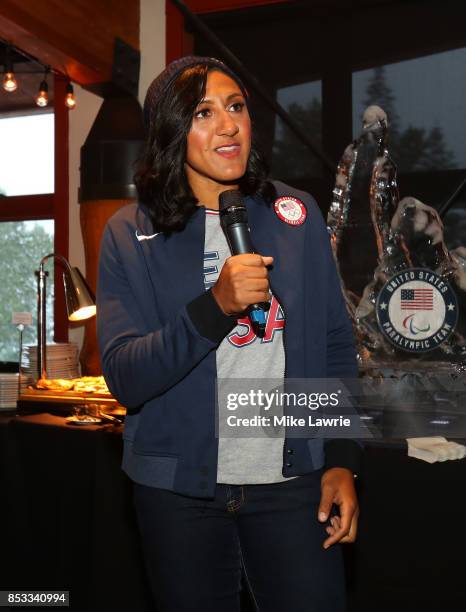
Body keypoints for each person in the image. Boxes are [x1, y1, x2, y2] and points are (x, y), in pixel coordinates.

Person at [96, 56, 362, 612]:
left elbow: (336, 342)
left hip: (294, 485)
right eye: (203, 112)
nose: (229, 124)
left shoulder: (296, 214)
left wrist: (339, 458)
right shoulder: (129, 231)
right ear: (172, 132)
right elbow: (125, 376)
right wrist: (215, 305)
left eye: (236, 107)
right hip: (179, 495)